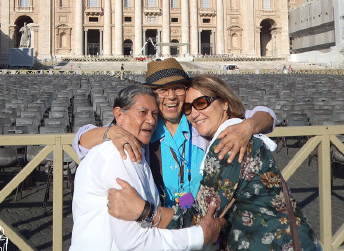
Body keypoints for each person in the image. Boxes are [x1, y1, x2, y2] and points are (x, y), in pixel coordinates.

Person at [107, 75, 320, 250]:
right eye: (189, 108)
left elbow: (201, 215)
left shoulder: (230, 140)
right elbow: (84, 136)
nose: (194, 113)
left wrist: (145, 211)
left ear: (225, 103)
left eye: (201, 103)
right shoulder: (150, 129)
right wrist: (110, 131)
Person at [73, 58, 276, 209]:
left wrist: (247, 126)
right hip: (158, 223)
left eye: (177, 88)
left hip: (198, 217)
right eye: (162, 90)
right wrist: (112, 131)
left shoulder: (199, 121)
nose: (171, 96)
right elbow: (81, 140)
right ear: (152, 94)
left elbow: (266, 115)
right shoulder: (144, 128)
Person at [70, 84, 224, 250]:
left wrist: (248, 125)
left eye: (154, 114)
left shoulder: (200, 128)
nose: (151, 120)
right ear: (119, 115)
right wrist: (199, 235)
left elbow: (241, 113)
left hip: (182, 215)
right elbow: (135, 242)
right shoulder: (121, 153)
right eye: (143, 112)